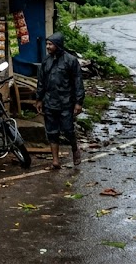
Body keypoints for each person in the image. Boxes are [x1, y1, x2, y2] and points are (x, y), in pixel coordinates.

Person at [35, 32, 85, 170]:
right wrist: (39, 99)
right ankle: (55, 161)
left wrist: (78, 102)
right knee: (52, 132)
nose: (47, 47)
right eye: (47, 44)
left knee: (68, 130)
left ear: (58, 45)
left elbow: (78, 82)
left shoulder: (71, 61)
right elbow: (41, 81)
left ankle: (74, 148)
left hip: (66, 102)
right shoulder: (46, 61)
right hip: (49, 102)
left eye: (50, 44)